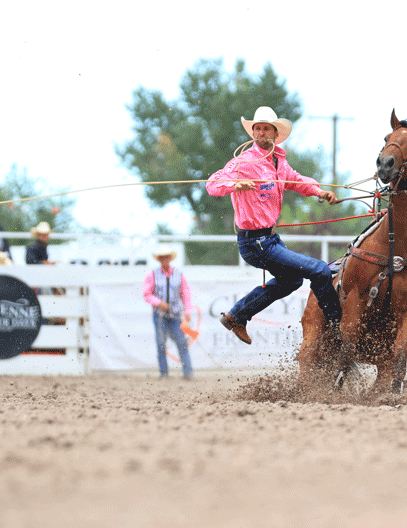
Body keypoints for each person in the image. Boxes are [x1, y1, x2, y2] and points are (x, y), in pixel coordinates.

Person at [206, 106, 341, 345]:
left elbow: (297, 181)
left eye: (265, 128)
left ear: (275, 133)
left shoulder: (279, 161)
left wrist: (319, 191)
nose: (260, 132)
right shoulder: (244, 162)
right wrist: (234, 185)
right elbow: (213, 184)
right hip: (255, 242)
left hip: (269, 240)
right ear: (253, 133)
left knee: (293, 280)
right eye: (257, 128)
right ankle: (336, 328)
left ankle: (236, 315)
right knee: (319, 270)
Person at [143, 245, 193, 379]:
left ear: (170, 258)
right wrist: (159, 303)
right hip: (159, 315)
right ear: (159, 259)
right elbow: (146, 294)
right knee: (161, 342)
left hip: (175, 313)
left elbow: (185, 293)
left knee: (181, 341)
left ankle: (188, 372)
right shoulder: (152, 274)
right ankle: (164, 373)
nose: (164, 259)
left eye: (166, 256)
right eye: (162, 257)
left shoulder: (178, 274)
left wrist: (188, 310)